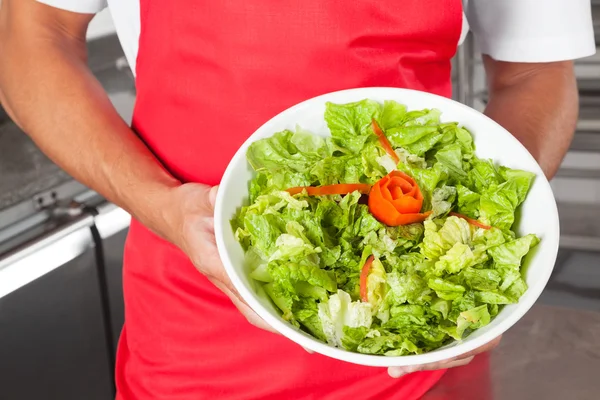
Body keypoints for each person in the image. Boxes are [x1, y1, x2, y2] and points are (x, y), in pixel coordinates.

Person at [0, 0, 594, 398]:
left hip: (420, 345)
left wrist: (486, 229)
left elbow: (534, 74)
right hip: (190, 325)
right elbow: (31, 35)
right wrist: (161, 205)